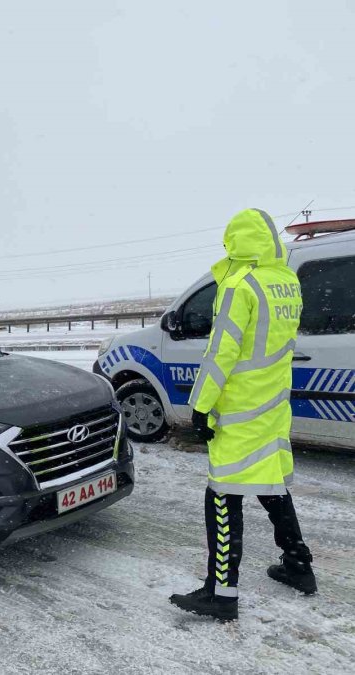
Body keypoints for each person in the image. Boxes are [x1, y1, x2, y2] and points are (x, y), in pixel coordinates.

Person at [169, 208, 316, 622]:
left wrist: (201, 405)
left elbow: (221, 352)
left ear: (236, 241)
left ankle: (221, 593)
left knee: (222, 494)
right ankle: (298, 565)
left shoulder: (239, 285)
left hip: (239, 408)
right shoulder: (286, 281)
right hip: (273, 403)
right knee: (270, 482)